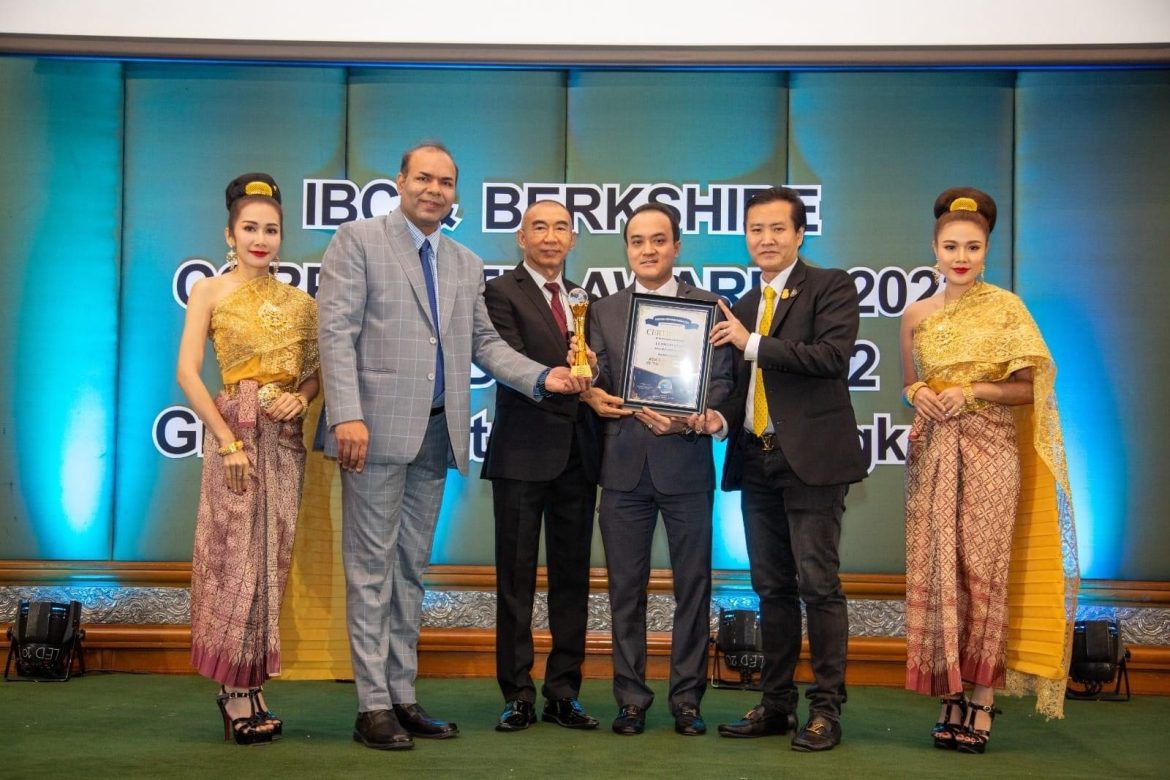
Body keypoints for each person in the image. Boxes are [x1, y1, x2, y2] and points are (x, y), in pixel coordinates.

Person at [316, 142, 589, 751]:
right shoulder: (358, 240)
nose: (434, 190)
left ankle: (402, 695)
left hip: (437, 433)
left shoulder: (465, 262)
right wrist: (346, 415)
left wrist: (544, 378)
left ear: (455, 193)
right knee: (371, 572)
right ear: (400, 181)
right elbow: (334, 332)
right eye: (424, 178)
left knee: (410, 571)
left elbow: (486, 345)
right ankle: (371, 707)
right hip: (372, 432)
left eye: (445, 182)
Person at [900, 187, 1078, 753]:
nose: (961, 257)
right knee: (941, 570)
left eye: (972, 247)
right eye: (951, 246)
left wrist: (973, 390)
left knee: (984, 571)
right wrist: (919, 394)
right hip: (934, 454)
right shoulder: (916, 315)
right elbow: (910, 382)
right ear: (934, 249)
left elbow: (1031, 388)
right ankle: (950, 693)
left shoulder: (1007, 310)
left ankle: (981, 698)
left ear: (986, 252)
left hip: (993, 454)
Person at [697, 186, 867, 752]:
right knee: (771, 588)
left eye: (777, 228)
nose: (765, 239)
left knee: (818, 586)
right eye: (756, 229)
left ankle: (826, 710)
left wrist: (752, 343)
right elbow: (737, 386)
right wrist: (718, 417)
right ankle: (776, 705)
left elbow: (831, 358)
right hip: (756, 458)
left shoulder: (830, 286)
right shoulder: (744, 305)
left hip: (811, 462)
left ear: (799, 234)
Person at [578, 202, 734, 737]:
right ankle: (631, 699)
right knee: (626, 590)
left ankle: (687, 700)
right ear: (627, 248)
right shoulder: (603, 310)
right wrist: (590, 383)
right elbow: (597, 374)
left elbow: (723, 381)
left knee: (694, 587)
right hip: (623, 468)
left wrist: (693, 418)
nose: (648, 249)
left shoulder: (710, 308)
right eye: (637, 240)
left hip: (686, 465)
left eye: (659, 240)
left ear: (677, 246)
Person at [178, 173, 320, 745]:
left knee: (270, 561)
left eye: (271, 230)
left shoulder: (302, 304)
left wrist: (302, 398)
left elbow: (316, 373)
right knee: (233, 559)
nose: (261, 239)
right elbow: (188, 373)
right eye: (250, 228)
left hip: (284, 439)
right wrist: (227, 442)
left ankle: (252, 683)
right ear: (229, 234)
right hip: (234, 434)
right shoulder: (209, 292)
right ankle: (233, 691)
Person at [481, 200, 603, 732]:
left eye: (561, 228)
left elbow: (594, 365)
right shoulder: (499, 293)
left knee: (572, 579)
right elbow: (507, 359)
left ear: (573, 239)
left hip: (579, 454)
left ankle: (563, 692)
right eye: (539, 227)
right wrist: (565, 374)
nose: (550, 237)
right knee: (516, 579)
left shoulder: (582, 298)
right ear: (521, 237)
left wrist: (595, 368)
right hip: (521, 453)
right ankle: (517, 693)